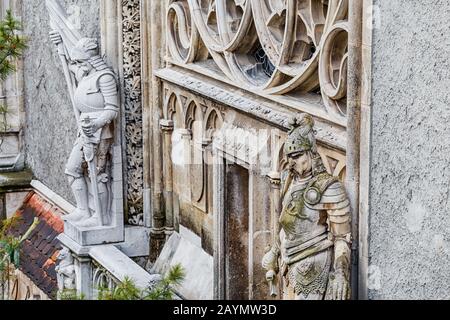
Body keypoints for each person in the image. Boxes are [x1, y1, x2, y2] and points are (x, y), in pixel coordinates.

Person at [262, 113, 352, 300]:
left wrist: (341, 273)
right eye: (290, 157)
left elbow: (342, 238)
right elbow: (285, 223)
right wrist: (275, 250)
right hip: (289, 262)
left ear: (311, 153)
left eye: (297, 155)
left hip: (314, 266)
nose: (292, 162)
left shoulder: (329, 187)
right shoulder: (289, 180)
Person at [50, 31, 119, 227]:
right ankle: (83, 210)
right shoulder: (85, 73)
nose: (79, 67)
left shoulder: (105, 78)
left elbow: (112, 109)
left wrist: (96, 124)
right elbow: (70, 65)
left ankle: (100, 217)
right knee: (72, 170)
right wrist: (60, 46)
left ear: (91, 60)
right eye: (78, 63)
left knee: (97, 174)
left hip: (100, 133)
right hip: (84, 130)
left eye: (82, 62)